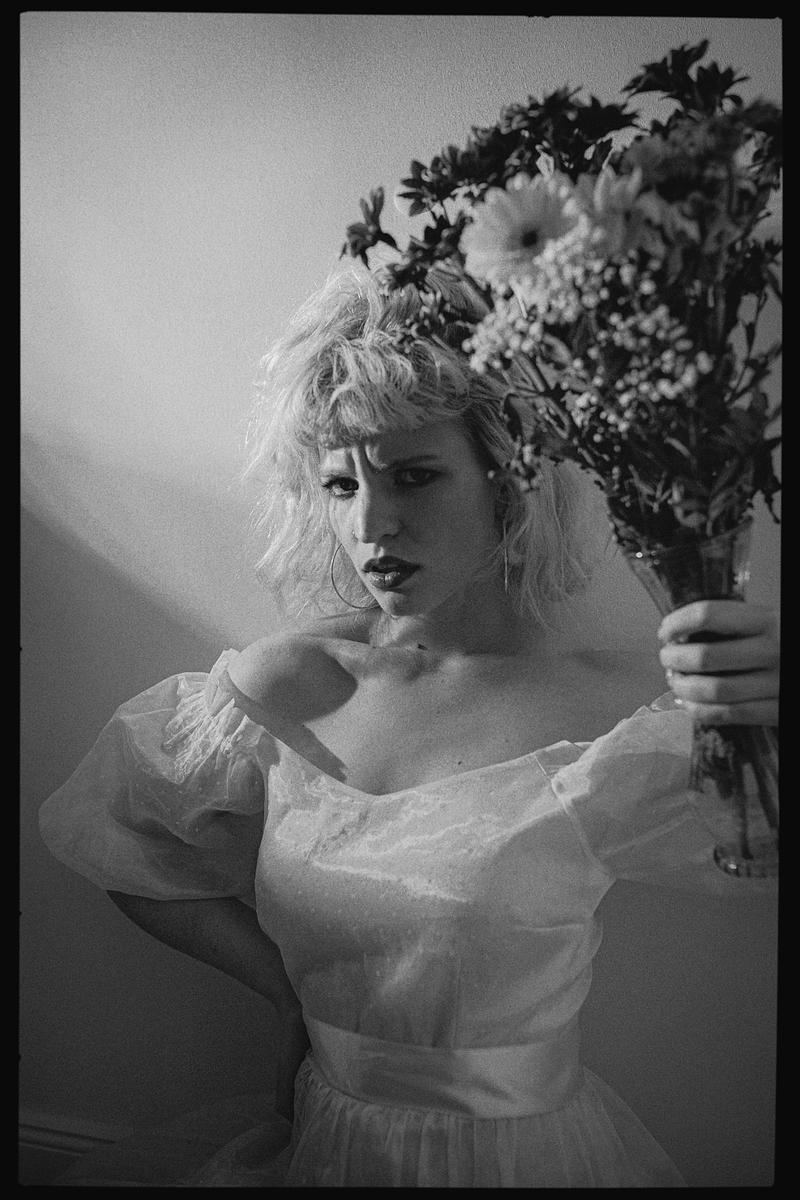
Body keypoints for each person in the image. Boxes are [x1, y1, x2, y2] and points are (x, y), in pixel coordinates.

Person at [39, 264, 779, 1188]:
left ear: (510, 480)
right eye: (338, 483)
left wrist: (764, 706)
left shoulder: (619, 711)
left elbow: (760, 853)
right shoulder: (286, 685)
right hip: (323, 1141)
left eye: (415, 476)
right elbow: (122, 845)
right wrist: (284, 994)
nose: (370, 525)